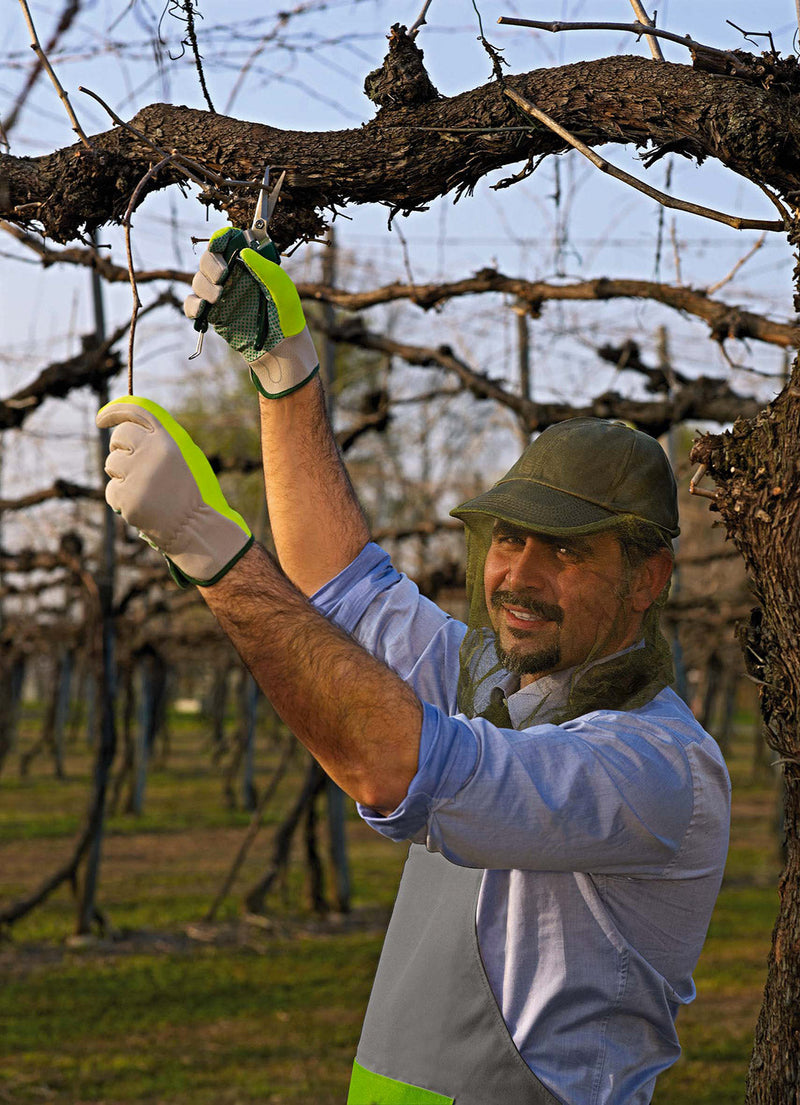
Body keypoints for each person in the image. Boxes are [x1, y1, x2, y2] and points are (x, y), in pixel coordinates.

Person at [97, 234, 730, 1105]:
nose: (519, 575)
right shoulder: (492, 683)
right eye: (509, 539)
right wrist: (285, 373)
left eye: (568, 552)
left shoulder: (659, 769)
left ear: (646, 580)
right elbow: (343, 590)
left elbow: (397, 764)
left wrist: (211, 548)